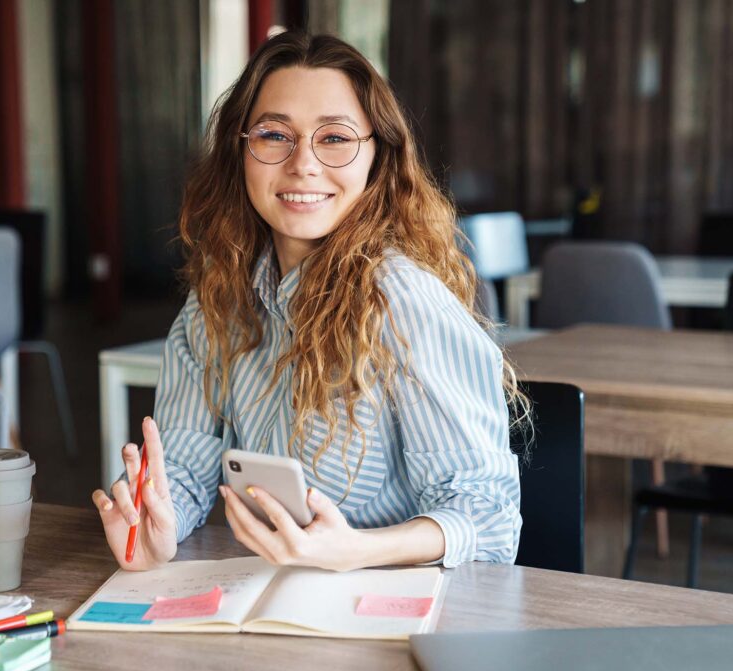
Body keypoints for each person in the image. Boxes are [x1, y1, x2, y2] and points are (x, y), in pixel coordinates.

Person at [91, 32, 525, 572]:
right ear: (241, 149)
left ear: (377, 157)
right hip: (267, 599)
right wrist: (158, 524)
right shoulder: (217, 303)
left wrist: (355, 552)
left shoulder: (401, 300)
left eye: (336, 138)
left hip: (395, 608)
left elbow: (489, 516)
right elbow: (181, 468)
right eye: (275, 135)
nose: (303, 164)